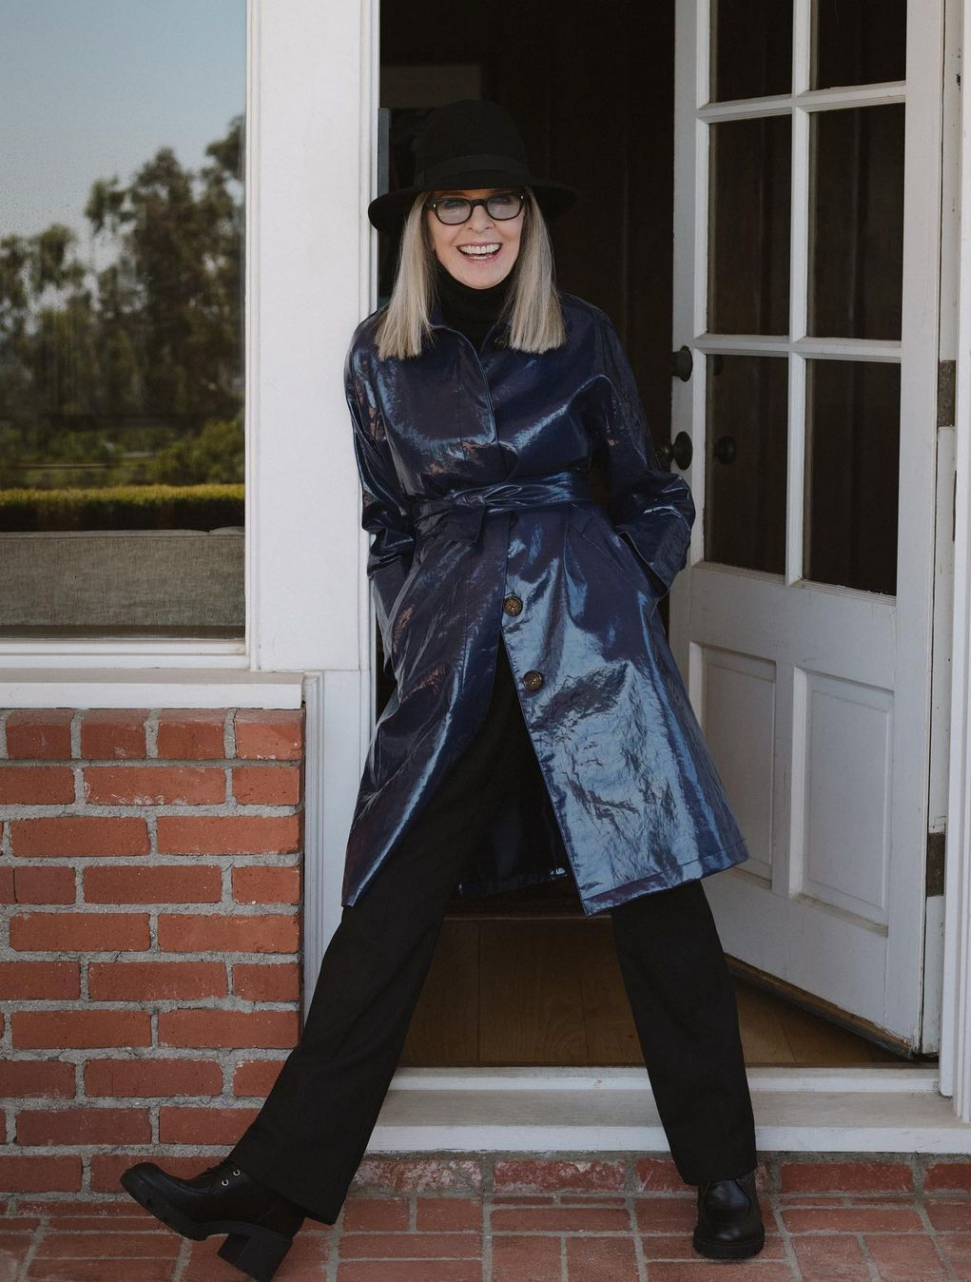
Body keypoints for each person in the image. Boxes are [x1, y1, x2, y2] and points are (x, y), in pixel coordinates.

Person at [120, 99, 765, 1280]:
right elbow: (387, 523)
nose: (480, 225)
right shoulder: (379, 355)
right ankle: (268, 1192)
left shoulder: (580, 335)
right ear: (422, 224)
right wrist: (416, 615)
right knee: (387, 911)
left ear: (527, 219)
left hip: (589, 642)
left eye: (499, 202)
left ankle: (725, 1171)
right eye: (454, 205)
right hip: (455, 647)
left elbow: (653, 493)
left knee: (658, 902)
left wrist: (624, 583)